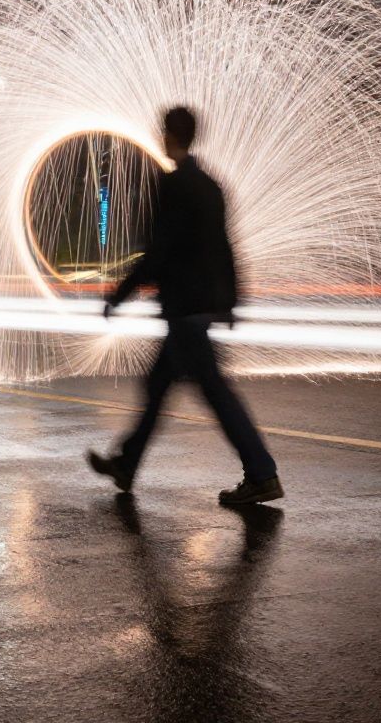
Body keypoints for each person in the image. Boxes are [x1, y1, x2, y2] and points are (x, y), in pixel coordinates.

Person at [87, 106, 283, 505]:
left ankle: (262, 474)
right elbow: (225, 248)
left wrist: (119, 296)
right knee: (159, 387)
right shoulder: (211, 185)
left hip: (183, 310)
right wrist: (229, 301)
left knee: (215, 393)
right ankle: (126, 465)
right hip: (199, 307)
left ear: (167, 136)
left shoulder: (174, 186)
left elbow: (158, 252)